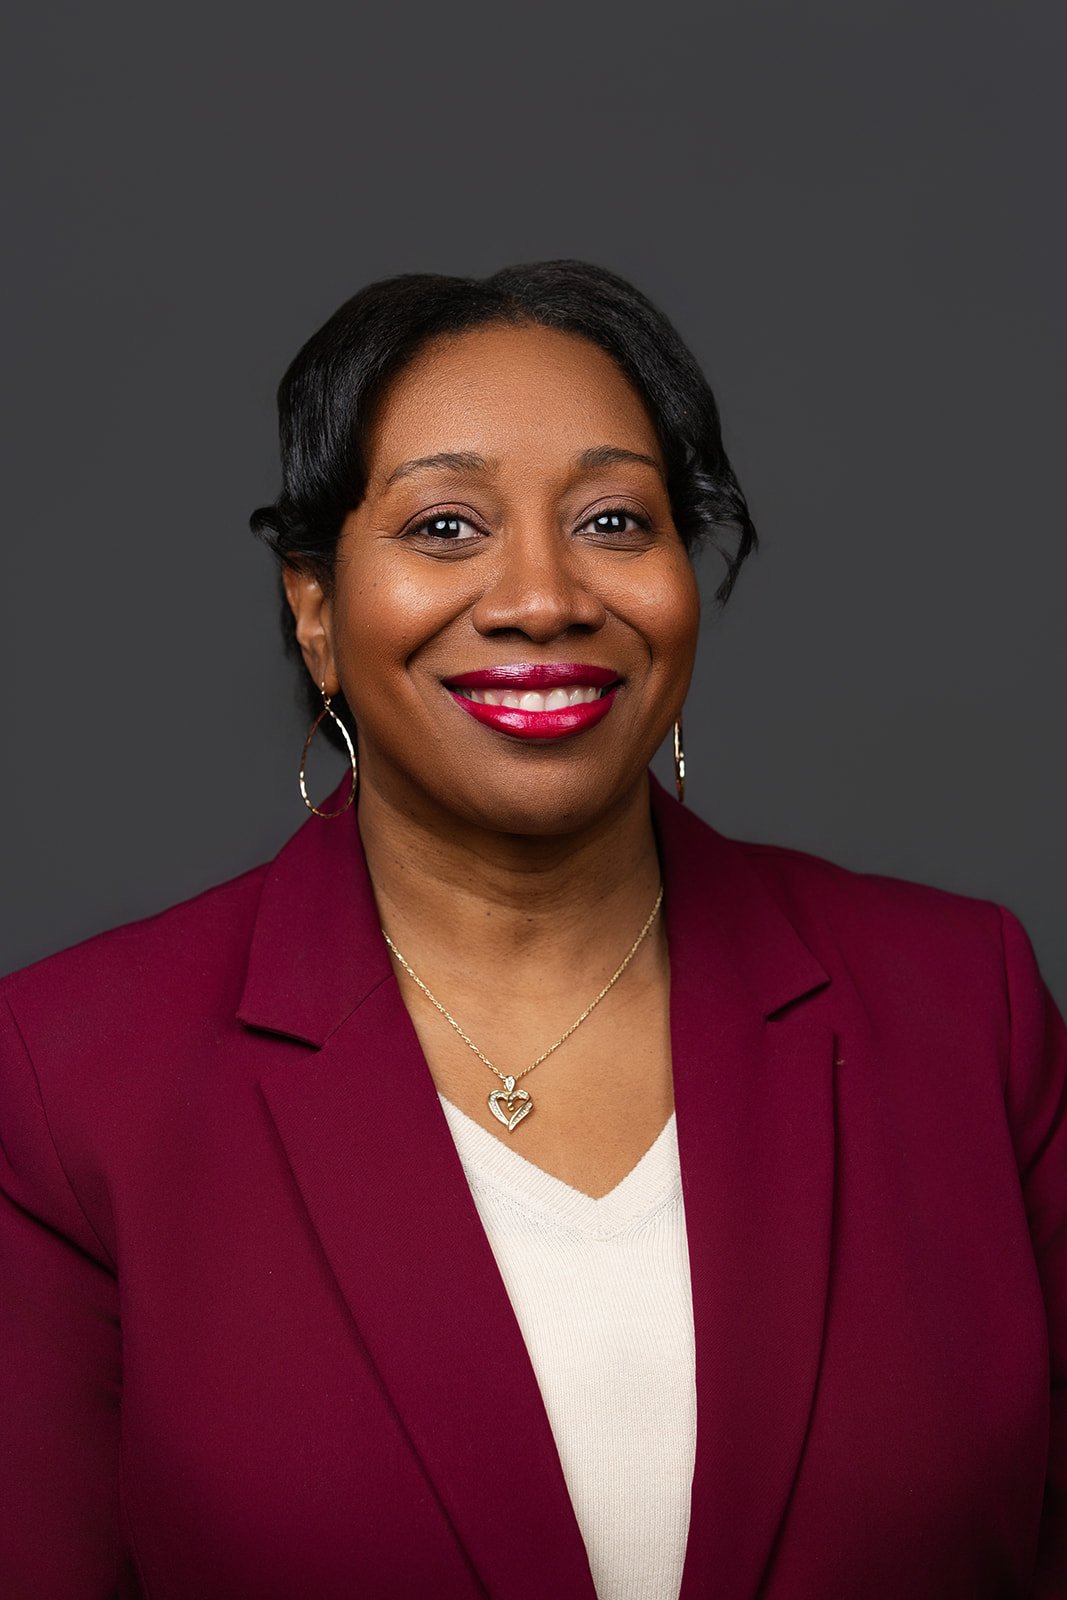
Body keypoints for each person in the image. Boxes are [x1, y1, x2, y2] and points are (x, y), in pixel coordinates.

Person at [0, 259, 1063, 1600]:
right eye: (446, 527)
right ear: (316, 609)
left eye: (616, 520)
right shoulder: (68, 1079)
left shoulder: (968, 1009)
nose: (545, 597)